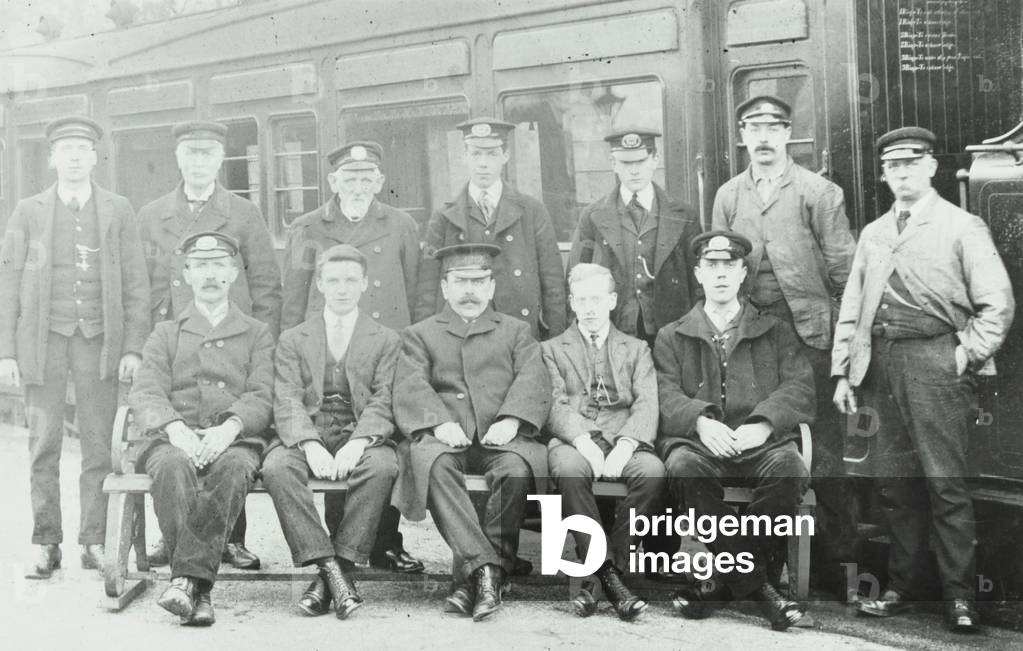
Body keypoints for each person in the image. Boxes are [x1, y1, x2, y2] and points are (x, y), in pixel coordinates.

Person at [832, 127, 1014, 632]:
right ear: (885, 174)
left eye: (913, 162)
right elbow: (853, 308)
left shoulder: (961, 226)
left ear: (932, 167)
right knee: (896, 486)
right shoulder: (873, 233)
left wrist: (964, 355)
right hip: (879, 367)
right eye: (893, 166)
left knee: (944, 485)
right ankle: (902, 587)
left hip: (935, 363)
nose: (903, 172)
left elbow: (996, 305)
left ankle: (960, 598)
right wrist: (844, 372)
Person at [711, 95, 858, 598]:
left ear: (789, 133)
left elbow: (847, 277)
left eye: (774, 126)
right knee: (761, 442)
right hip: (755, 340)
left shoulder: (820, 192)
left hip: (811, 336)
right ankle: (762, 569)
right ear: (743, 136)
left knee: (824, 455)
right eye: (754, 127)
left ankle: (834, 569)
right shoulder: (730, 195)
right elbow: (721, 266)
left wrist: (842, 351)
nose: (764, 136)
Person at [0, 116, 149, 578]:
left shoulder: (118, 208)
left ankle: (94, 542)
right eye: (66, 150)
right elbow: (6, 282)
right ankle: (47, 542)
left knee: (98, 447)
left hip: (98, 343)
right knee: (42, 446)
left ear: (95, 157)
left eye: (84, 149)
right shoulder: (28, 210)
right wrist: (5, 352)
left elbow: (136, 283)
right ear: (52, 158)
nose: (76, 157)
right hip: (42, 346)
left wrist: (132, 348)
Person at [137, 120, 281, 570]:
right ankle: (177, 537)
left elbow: (267, 287)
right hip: (178, 336)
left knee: (229, 439)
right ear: (179, 158)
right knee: (174, 454)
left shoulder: (243, 213)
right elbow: (142, 288)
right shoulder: (153, 214)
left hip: (233, 337)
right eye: (191, 154)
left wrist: (262, 345)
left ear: (221, 160)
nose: (199, 162)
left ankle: (228, 538)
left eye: (208, 154)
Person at [656, 231, 813, 631]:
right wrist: (699, 421)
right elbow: (664, 392)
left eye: (730, 266)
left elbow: (799, 386)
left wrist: (762, 424)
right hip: (700, 444)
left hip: (759, 444)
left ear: (744, 273)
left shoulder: (774, 329)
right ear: (698, 273)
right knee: (683, 468)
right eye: (712, 266)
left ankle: (724, 585)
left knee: (790, 468)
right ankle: (762, 590)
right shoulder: (673, 334)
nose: (721, 274)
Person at [281, 140, 422, 574]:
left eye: (366, 178)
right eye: (349, 177)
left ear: (379, 182)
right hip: (324, 348)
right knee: (331, 428)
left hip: (385, 347)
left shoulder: (400, 224)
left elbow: (416, 289)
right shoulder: (308, 227)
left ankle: (385, 542)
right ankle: (341, 547)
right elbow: (295, 296)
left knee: (384, 440)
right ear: (333, 182)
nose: (358, 185)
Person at [394, 243, 551, 621]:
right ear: (445, 288)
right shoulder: (420, 334)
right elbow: (410, 384)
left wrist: (512, 420)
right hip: (446, 435)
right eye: (460, 282)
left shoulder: (515, 331)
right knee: (432, 464)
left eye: (479, 282)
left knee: (515, 469)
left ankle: (471, 580)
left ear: (492, 287)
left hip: (501, 434)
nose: (470, 291)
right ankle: (488, 571)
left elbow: (534, 378)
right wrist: (439, 422)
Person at [129, 231, 274, 626]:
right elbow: (146, 390)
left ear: (232, 273)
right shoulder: (166, 333)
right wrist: (175, 428)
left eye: (218, 266)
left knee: (233, 468)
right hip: (175, 436)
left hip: (233, 438)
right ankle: (199, 589)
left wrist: (230, 428)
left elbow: (263, 392)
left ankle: (185, 583)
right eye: (200, 267)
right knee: (172, 467)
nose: (210, 275)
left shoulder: (256, 332)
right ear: (187, 275)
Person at [264, 244, 402, 619]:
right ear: (320, 285)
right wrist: (309, 444)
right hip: (309, 427)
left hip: (360, 427)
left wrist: (358, 442)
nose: (342, 288)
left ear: (364, 285)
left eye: (350, 281)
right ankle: (332, 568)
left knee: (381, 467)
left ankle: (334, 572)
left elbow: (384, 397)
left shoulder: (385, 338)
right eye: (333, 280)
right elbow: (287, 397)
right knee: (277, 467)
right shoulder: (295, 338)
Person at [542, 262, 665, 620]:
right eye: (582, 300)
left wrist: (626, 445)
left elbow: (647, 402)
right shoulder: (551, 348)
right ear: (571, 303)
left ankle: (602, 577)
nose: (590, 308)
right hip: (574, 440)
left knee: (653, 471)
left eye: (597, 299)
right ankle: (611, 577)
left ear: (612, 300)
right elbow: (553, 403)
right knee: (567, 468)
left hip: (625, 439)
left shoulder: (637, 348)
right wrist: (583, 441)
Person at [414, 118, 566, 341]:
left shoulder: (532, 211)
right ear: (464, 156)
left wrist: (555, 343)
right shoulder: (444, 218)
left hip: (521, 334)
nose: (483, 163)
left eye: (492, 154)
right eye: (476, 154)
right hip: (461, 337)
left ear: (505, 156)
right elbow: (427, 292)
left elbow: (553, 286)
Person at [567, 127, 700, 348]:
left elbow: (698, 282)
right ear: (613, 164)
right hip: (614, 330)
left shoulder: (684, 215)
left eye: (641, 161)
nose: (634, 171)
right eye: (626, 164)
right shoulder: (592, 216)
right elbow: (575, 279)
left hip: (671, 332)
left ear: (655, 159)